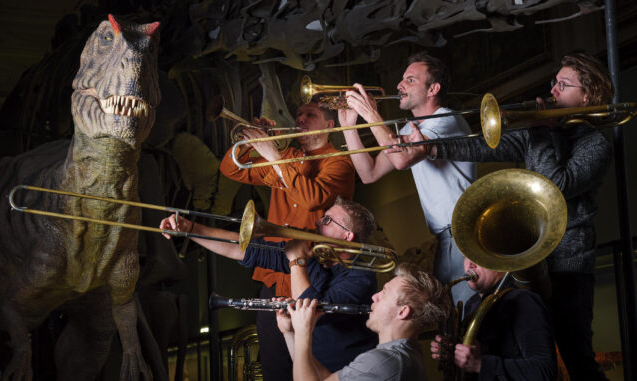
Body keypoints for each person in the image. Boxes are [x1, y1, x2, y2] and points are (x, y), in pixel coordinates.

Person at [410, 52, 613, 380]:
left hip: (568, 267)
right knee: (522, 352)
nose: (553, 90)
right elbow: (481, 147)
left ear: (587, 96)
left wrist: (542, 130)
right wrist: (431, 148)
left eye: (564, 84)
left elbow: (555, 185)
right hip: (532, 262)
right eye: (554, 83)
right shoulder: (541, 132)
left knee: (578, 361)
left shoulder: (595, 142)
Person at [219, 98, 356, 379]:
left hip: (314, 281)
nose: (300, 119)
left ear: (329, 125)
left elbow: (312, 199)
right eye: (299, 114)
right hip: (274, 280)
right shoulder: (288, 155)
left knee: (316, 366)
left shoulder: (339, 162)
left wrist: (275, 157)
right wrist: (249, 140)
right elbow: (231, 169)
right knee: (274, 367)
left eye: (310, 115)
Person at [160, 196, 377, 372]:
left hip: (348, 372)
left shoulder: (362, 276)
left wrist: (296, 261)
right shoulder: (315, 258)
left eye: (327, 221)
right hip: (316, 371)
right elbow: (244, 250)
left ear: (347, 236)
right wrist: (191, 229)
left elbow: (308, 314)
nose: (317, 222)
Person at [338, 52, 476, 305]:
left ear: (433, 88)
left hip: (465, 231)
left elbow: (401, 160)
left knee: (466, 312)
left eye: (410, 80)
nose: (400, 86)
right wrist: (349, 128)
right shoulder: (407, 131)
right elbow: (369, 174)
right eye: (402, 79)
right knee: (451, 317)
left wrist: (372, 116)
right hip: (445, 236)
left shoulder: (446, 119)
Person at [275, 263, 450, 381]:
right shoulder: (397, 355)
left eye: (384, 293)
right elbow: (322, 378)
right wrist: (290, 332)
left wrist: (304, 331)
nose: (375, 296)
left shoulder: (385, 361)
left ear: (403, 311)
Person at [430, 258, 557, 380]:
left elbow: (545, 371)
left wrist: (481, 365)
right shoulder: (472, 303)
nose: (470, 264)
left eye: (478, 258)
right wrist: (454, 352)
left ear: (500, 262)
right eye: (466, 257)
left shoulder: (523, 300)